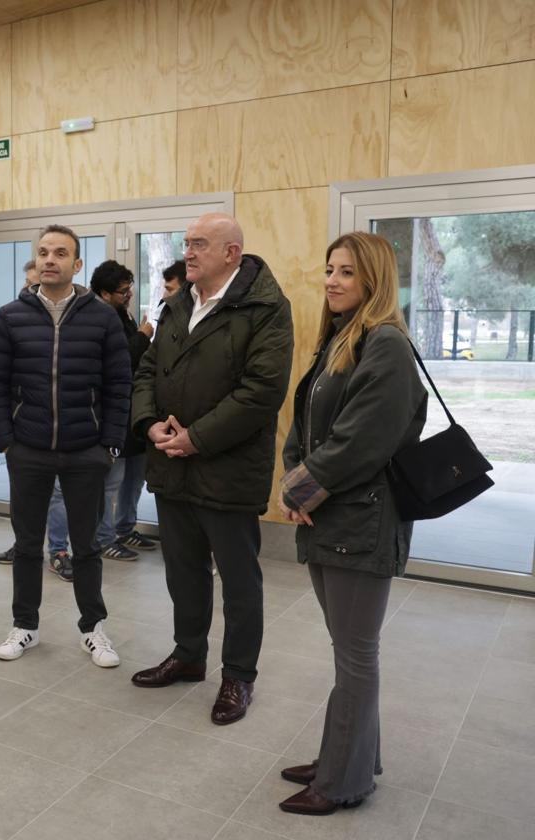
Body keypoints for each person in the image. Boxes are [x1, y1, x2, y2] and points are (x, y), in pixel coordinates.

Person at [276, 232, 427, 815]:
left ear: (374, 281)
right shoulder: (341, 338)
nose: (333, 280)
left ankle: (342, 781)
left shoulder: (385, 344)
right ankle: (349, 755)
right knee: (349, 650)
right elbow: (304, 426)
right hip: (327, 517)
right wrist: (294, 484)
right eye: (330, 269)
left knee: (356, 655)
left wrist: (301, 488)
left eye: (347, 272)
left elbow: (361, 442)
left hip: (362, 523)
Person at [130, 212, 294, 726]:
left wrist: (196, 438)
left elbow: (262, 391)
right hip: (171, 465)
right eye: (186, 243)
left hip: (228, 467)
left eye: (199, 244)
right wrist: (149, 424)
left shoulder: (266, 308)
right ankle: (188, 655)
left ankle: (238, 676)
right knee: (183, 571)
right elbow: (147, 371)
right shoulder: (178, 303)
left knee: (240, 582)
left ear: (232, 253)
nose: (188, 253)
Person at [0, 224, 131, 668]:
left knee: (86, 546)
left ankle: (93, 628)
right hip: (27, 449)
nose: (50, 259)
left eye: (60, 253)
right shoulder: (10, 316)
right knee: (28, 544)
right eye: (44, 252)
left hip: (86, 450)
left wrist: (111, 444)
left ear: (76, 264)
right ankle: (24, 625)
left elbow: (120, 385)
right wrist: (6, 440)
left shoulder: (102, 318)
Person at [0, 258, 73, 580]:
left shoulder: (70, 321)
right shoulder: (12, 320)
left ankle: (58, 550)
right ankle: (24, 543)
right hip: (23, 433)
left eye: (35, 281)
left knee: (56, 493)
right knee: (22, 496)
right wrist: (6, 438)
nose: (32, 286)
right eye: (28, 282)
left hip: (62, 434)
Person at [88, 261, 157, 562]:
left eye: (130, 289)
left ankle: (125, 528)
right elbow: (117, 362)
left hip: (134, 412)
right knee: (111, 482)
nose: (129, 295)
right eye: (123, 291)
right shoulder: (96, 317)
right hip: (111, 414)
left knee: (135, 476)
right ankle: (103, 539)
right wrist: (143, 335)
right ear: (104, 293)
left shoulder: (120, 313)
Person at [149, 259, 185, 335]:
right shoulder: (165, 313)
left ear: (186, 289)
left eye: (170, 289)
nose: (164, 296)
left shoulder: (194, 322)